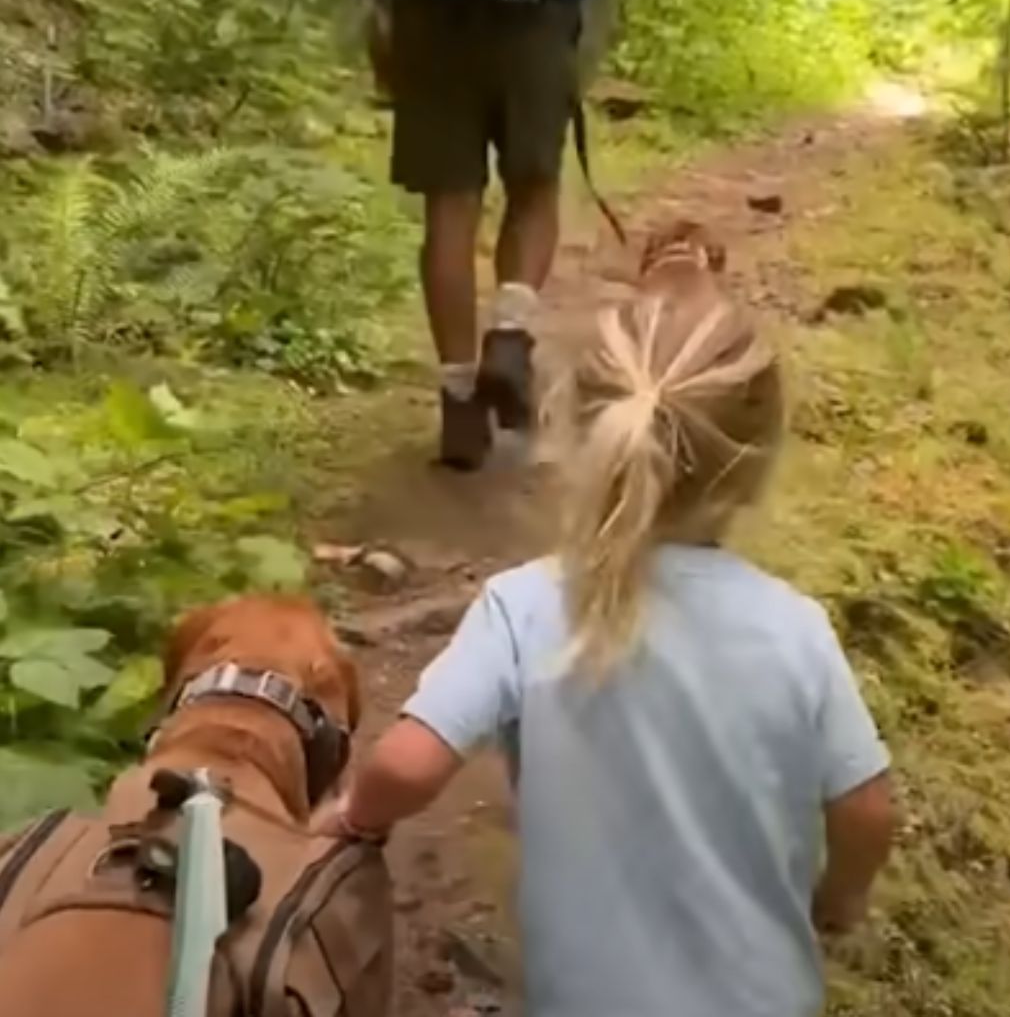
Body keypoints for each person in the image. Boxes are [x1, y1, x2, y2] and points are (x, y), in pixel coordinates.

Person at [320, 281, 896, 1017]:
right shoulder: (796, 629)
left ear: (575, 432)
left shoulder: (522, 607)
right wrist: (839, 901)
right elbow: (868, 812)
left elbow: (406, 765)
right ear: (753, 467)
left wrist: (355, 819)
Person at [341, 0, 652, 470]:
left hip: (423, 10)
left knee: (448, 208)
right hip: (532, 6)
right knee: (534, 186)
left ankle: (458, 404)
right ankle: (510, 333)